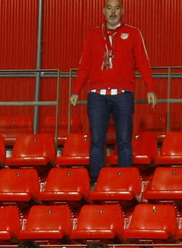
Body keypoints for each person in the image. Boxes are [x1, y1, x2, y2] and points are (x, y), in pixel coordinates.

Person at [70, 0, 156, 184]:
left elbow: (143, 62)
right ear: (103, 10)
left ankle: (124, 181)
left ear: (122, 10)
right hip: (97, 95)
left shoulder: (133, 33)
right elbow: (84, 66)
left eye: (116, 8)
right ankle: (96, 182)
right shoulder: (93, 35)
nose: (113, 11)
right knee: (96, 141)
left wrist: (151, 88)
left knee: (124, 140)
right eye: (109, 8)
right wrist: (76, 90)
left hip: (123, 95)